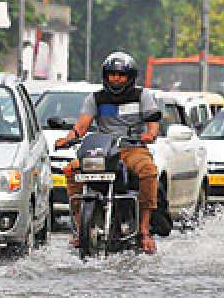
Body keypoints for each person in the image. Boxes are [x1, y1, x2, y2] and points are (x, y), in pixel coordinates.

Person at [55, 52, 162, 254]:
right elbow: (82, 126)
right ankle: (79, 229)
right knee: (72, 170)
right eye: (112, 74)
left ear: (130, 77)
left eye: (121, 75)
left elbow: (153, 126)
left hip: (133, 148)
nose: (116, 79)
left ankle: (144, 230)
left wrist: (150, 135)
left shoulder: (143, 96)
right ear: (105, 76)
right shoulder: (95, 98)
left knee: (148, 170)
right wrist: (68, 138)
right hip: (103, 150)